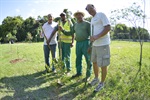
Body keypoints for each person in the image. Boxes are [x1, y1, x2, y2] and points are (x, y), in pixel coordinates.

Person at [85, 4, 111, 92]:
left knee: (103, 64)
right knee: (94, 62)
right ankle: (96, 79)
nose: (90, 11)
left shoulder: (101, 15)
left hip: (103, 44)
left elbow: (108, 28)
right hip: (95, 45)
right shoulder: (92, 19)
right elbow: (92, 33)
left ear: (94, 7)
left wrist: (96, 37)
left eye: (91, 8)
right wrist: (90, 45)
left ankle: (102, 83)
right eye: (88, 10)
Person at [71, 11, 92, 81]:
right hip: (78, 43)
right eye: (77, 15)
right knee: (78, 59)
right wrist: (62, 30)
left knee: (88, 59)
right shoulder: (75, 25)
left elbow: (92, 35)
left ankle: (88, 75)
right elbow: (71, 33)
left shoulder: (87, 24)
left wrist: (90, 45)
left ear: (83, 15)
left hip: (86, 43)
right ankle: (78, 73)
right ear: (75, 17)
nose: (79, 16)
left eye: (80, 15)